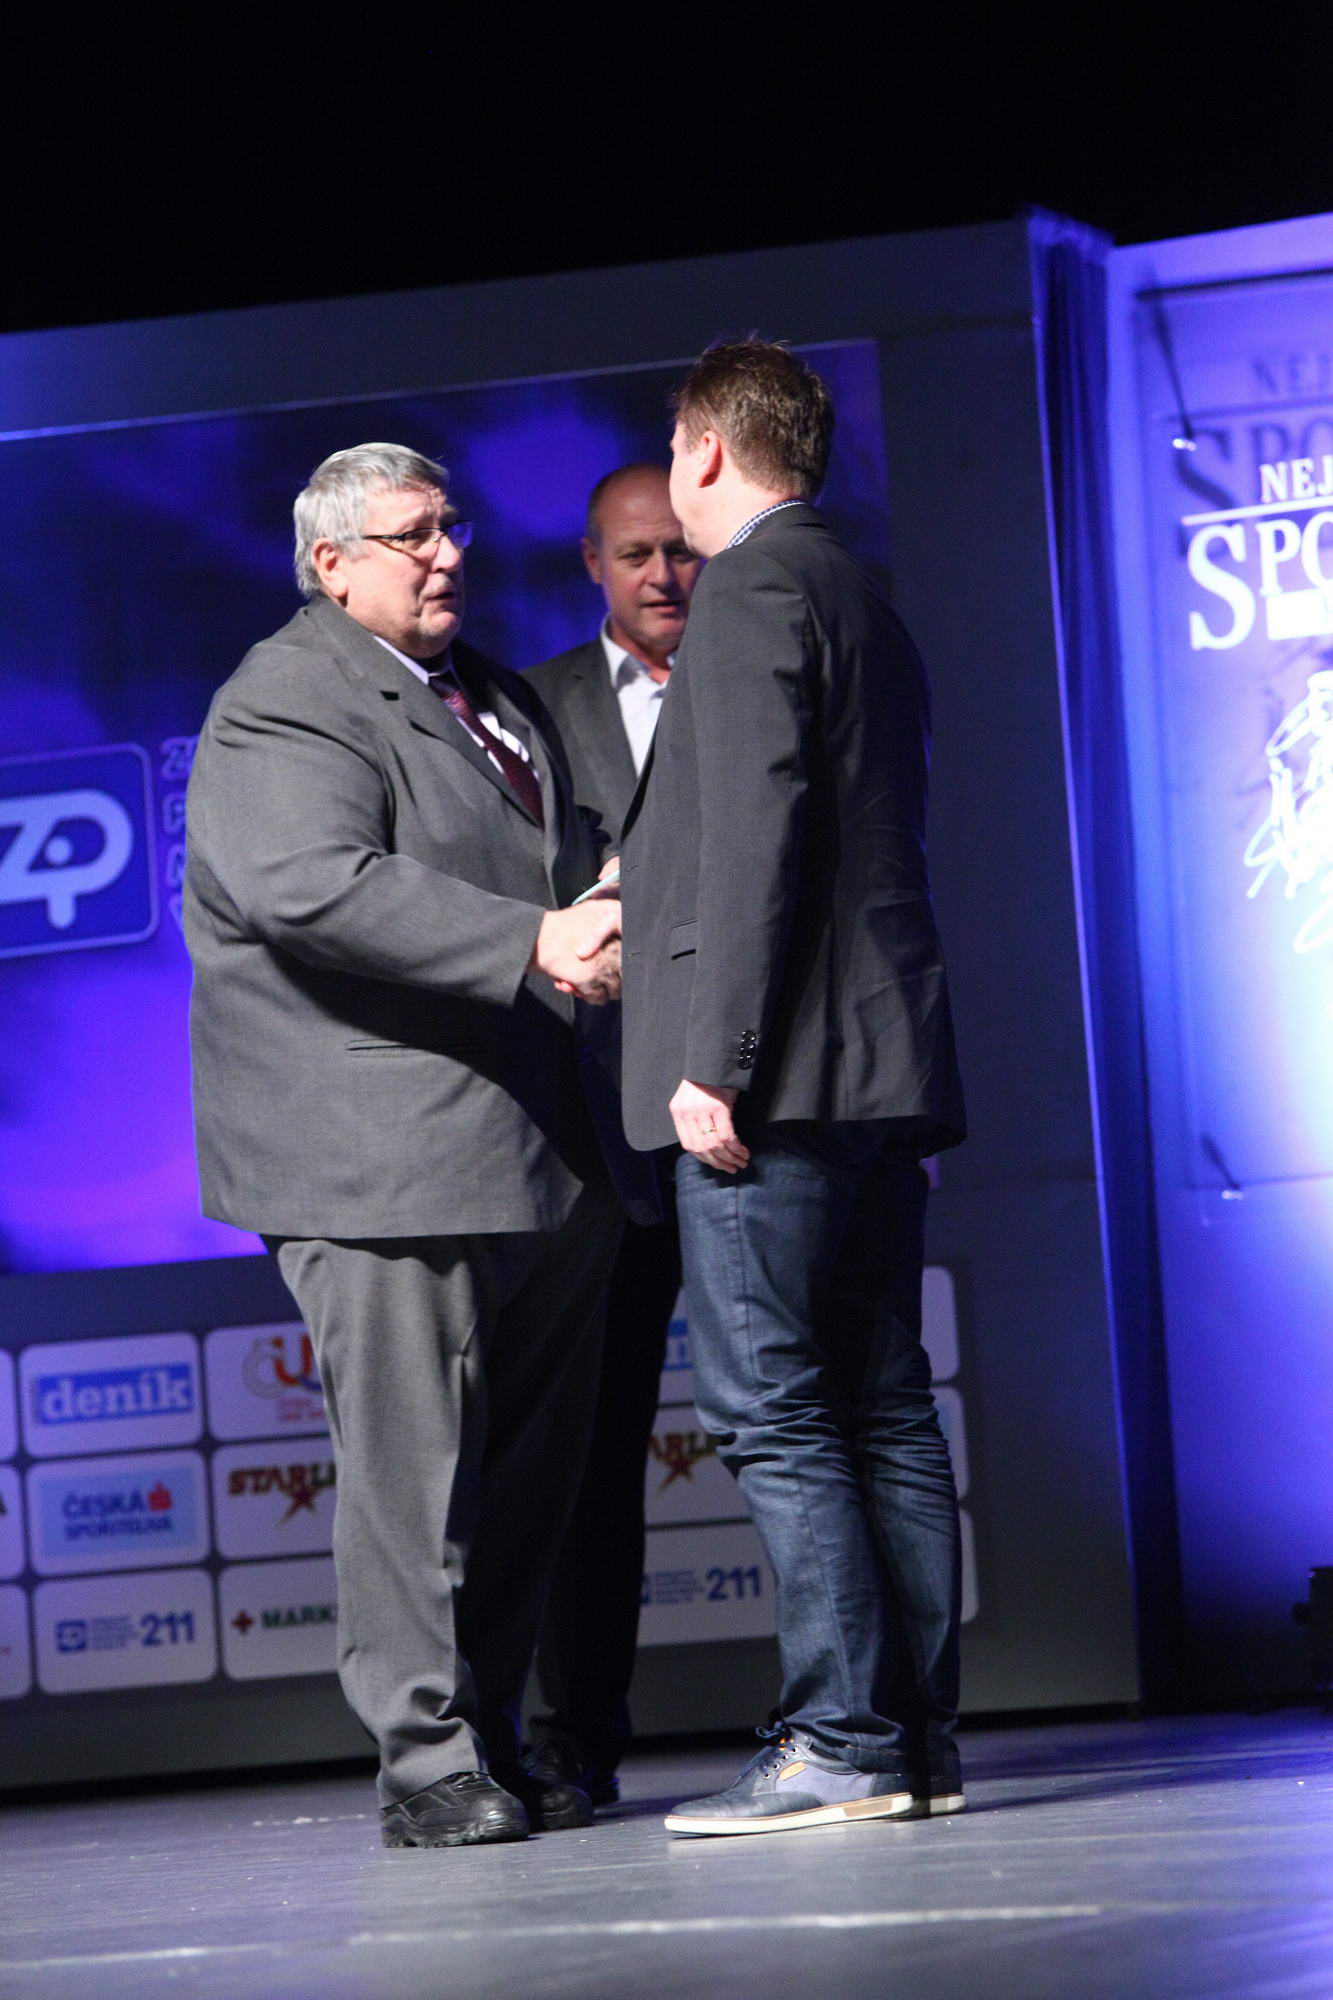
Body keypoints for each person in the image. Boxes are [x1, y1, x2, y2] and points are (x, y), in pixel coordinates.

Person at [185, 443, 631, 1850]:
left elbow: (544, 865)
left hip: (538, 1149)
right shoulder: (284, 696)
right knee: (413, 1481)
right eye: (412, 535)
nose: (449, 554)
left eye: (453, 527)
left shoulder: (490, 691)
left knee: (526, 1486)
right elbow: (309, 887)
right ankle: (425, 1763)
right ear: (330, 563)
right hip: (377, 1160)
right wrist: (537, 939)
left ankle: (486, 1736)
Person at [618, 343, 968, 1837]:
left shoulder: (754, 585)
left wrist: (716, 1057)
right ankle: (913, 1744)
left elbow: (762, 832)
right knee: (882, 1404)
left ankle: (840, 1741)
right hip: (876, 1066)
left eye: (673, 455)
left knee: (774, 1410)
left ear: (704, 450)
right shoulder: (853, 586)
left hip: (778, 1077)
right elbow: (795, 824)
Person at [524, 465, 702, 1805]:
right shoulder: (529, 712)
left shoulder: (758, 677)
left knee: (803, 1421)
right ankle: (574, 1740)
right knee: (587, 1456)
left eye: (680, 550)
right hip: (598, 1135)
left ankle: (859, 1717)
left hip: (760, 1110)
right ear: (593, 561)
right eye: (635, 555)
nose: (662, 576)